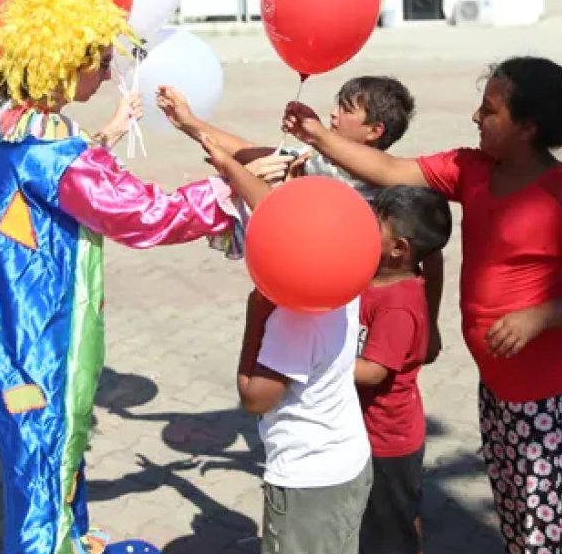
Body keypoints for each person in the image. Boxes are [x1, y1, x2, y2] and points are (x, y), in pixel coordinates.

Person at [280, 56, 562, 554]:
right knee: (517, 509)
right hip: (501, 386)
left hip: (551, 390)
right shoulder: (474, 170)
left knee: (551, 518)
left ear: (527, 127)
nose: (474, 117)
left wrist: (538, 318)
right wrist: (317, 134)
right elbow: (390, 170)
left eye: (489, 110)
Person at [0, 0, 241, 554]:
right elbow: (138, 214)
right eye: (99, 59)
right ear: (68, 64)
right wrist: (222, 196)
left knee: (51, 450)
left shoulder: (1, 122)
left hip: (7, 332)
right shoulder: (53, 154)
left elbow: (51, 186)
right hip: (44, 337)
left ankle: (72, 543)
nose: (109, 69)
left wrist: (105, 138)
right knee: (46, 455)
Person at [157, 77, 446, 364]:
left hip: (356, 313)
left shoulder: (393, 190)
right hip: (305, 302)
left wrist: (429, 323)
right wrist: (189, 122)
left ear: (374, 131)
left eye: (346, 109)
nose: (333, 113)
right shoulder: (315, 162)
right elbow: (249, 152)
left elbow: (431, 256)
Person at [195, 131, 372, 554]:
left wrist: (256, 316)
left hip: (307, 479)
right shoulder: (340, 271)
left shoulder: (295, 319)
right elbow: (274, 211)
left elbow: (254, 396)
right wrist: (229, 165)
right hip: (347, 460)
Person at [354, 186, 453, 554]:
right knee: (391, 523)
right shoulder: (380, 276)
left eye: (375, 219)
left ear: (398, 248)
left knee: (397, 539)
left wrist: (321, 361)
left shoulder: (396, 305)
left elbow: (373, 371)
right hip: (376, 436)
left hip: (387, 443)